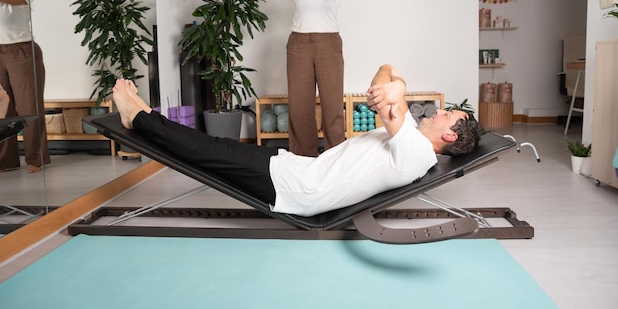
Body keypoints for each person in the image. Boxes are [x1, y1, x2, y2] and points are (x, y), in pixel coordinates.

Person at [112, 64, 482, 217]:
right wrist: (393, 85)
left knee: (207, 151)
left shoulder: (416, 152)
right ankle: (146, 117)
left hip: (297, 188)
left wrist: (396, 89)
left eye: (448, 114)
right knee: (215, 149)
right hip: (297, 172)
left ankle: (140, 118)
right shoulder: (412, 141)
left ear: (449, 135)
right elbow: (386, 71)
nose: (438, 111)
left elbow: (391, 87)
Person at [270, 0, 351, 157]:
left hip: (329, 44)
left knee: (332, 106)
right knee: (299, 107)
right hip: (299, 44)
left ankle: (336, 159)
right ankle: (303, 159)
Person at [0, 0, 50, 173]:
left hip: (21, 51)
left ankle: (35, 159)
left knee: (29, 106)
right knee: (0, 108)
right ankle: (3, 161)